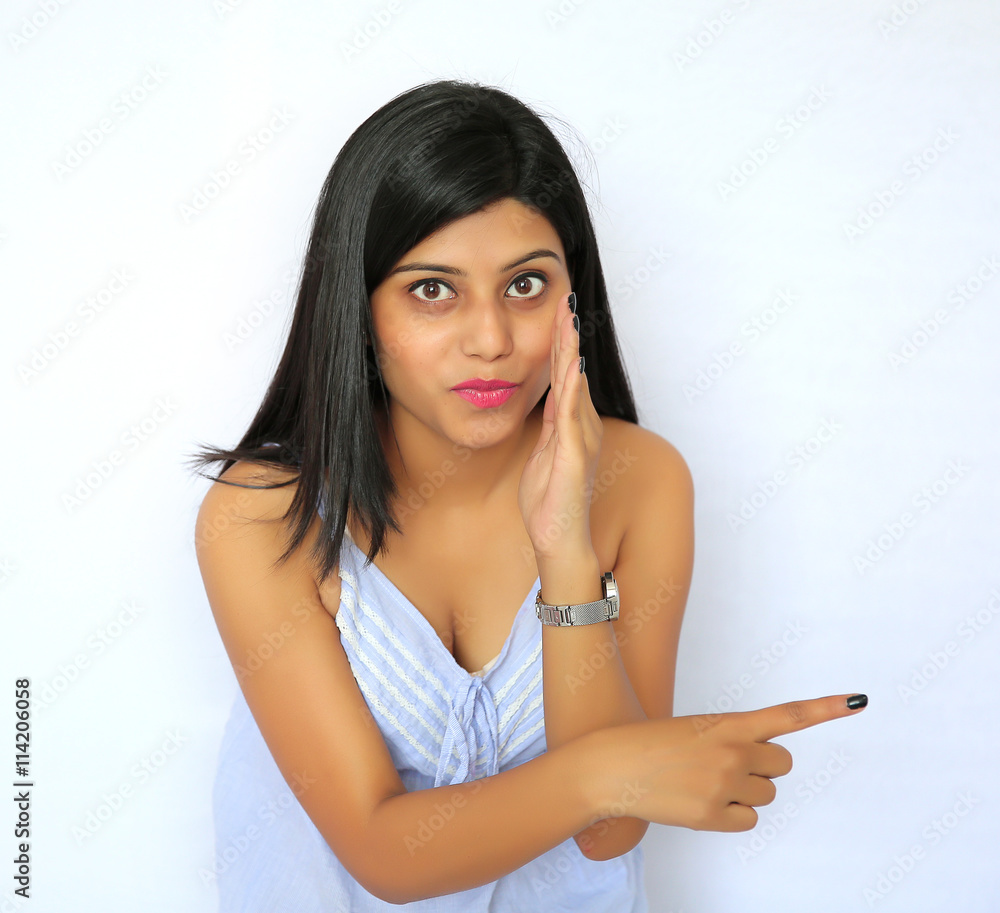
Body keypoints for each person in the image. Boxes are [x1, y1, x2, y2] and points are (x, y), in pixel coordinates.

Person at [188, 78, 867, 911]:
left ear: (573, 297)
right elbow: (385, 852)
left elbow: (609, 833)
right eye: (432, 289)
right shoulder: (263, 514)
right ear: (357, 307)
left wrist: (566, 550)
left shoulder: (643, 481)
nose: (491, 340)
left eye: (525, 285)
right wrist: (612, 770)